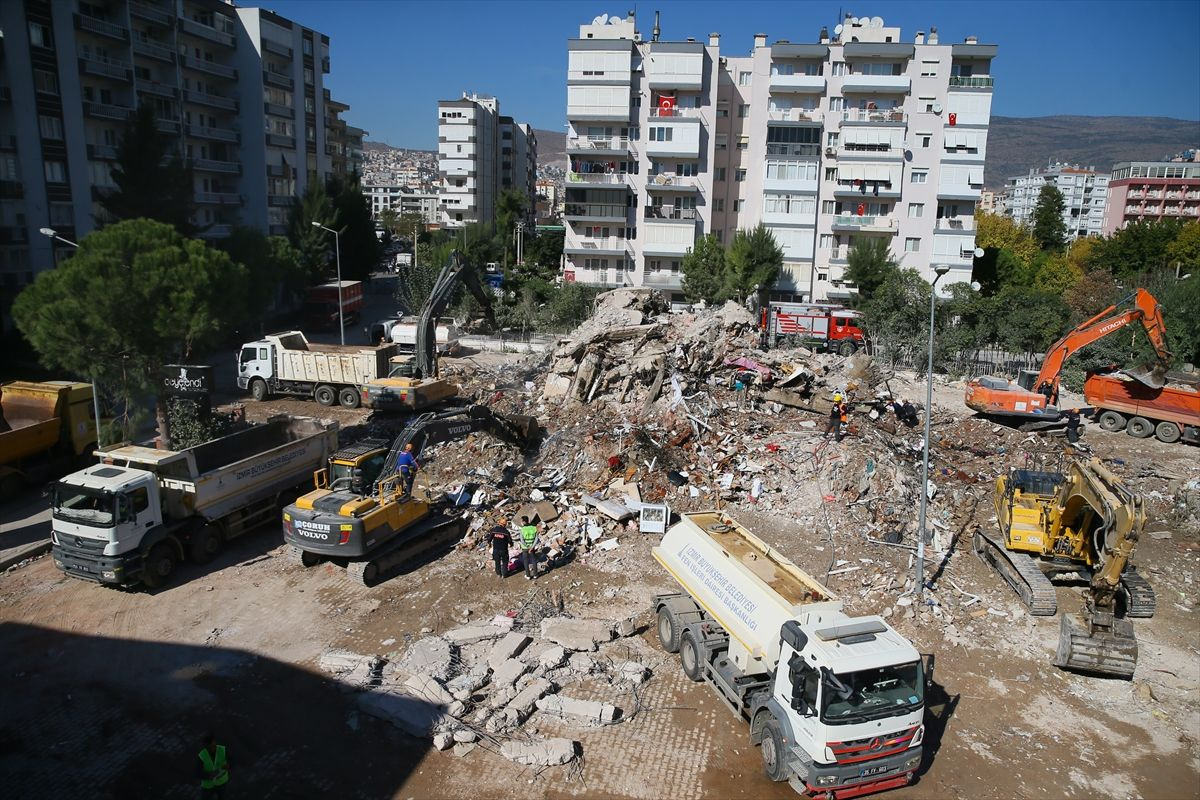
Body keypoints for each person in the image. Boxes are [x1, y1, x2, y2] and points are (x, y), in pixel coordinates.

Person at [197, 733, 229, 799]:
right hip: (208, 785)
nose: (212, 747)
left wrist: (229, 766)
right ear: (206, 745)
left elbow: (232, 761)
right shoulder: (202, 755)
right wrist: (209, 775)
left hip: (221, 782)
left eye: (213, 744)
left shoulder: (223, 750)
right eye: (210, 745)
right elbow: (197, 772)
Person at [518, 516, 539, 580]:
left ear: (524, 521)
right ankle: (535, 575)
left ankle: (528, 575)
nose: (521, 522)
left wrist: (527, 547)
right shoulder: (534, 528)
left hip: (525, 548)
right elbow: (536, 539)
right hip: (532, 547)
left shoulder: (522, 529)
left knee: (526, 561)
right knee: (533, 560)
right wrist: (531, 547)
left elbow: (522, 540)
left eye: (521, 521)